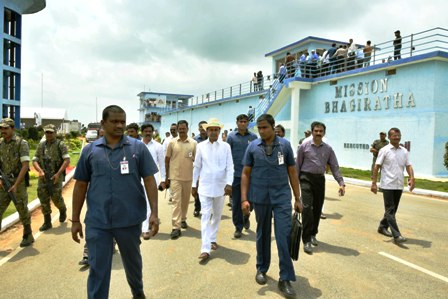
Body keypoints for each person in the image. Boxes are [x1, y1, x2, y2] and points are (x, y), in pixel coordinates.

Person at [71, 105, 159, 299]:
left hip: (129, 220)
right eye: (115, 121)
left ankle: (138, 293)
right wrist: (75, 219)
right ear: (103, 123)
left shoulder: (137, 148)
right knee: (98, 270)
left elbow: (150, 180)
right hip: (98, 222)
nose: (120, 125)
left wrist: (154, 213)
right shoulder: (90, 151)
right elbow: (80, 185)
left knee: (133, 265)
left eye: (123, 122)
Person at [241, 114, 302, 298]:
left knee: (283, 235)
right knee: (263, 233)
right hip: (260, 197)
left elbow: (292, 171)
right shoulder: (253, 146)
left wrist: (298, 198)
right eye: (259, 128)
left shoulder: (284, 145)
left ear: (273, 127)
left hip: (282, 196)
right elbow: (245, 173)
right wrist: (244, 198)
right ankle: (261, 268)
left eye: (264, 127)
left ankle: (285, 278)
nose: (261, 131)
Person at [296, 121, 345, 255]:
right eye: (316, 131)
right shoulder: (304, 146)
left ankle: (313, 234)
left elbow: (334, 166)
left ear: (324, 133)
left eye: (320, 131)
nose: (318, 133)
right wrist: (295, 186)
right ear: (312, 132)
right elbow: (297, 165)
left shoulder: (328, 149)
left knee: (317, 208)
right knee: (307, 208)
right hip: (306, 178)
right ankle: (306, 240)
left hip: (319, 180)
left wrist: (341, 182)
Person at [192, 118, 233, 261]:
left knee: (217, 215)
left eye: (216, 129)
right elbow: (197, 166)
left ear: (219, 131)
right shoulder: (201, 146)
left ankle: (213, 238)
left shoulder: (226, 147)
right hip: (205, 186)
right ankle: (205, 248)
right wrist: (193, 185)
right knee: (205, 215)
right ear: (206, 131)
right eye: (211, 129)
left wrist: (229, 183)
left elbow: (230, 166)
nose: (213, 132)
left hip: (221, 187)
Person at [371, 127, 415, 243]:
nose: (397, 137)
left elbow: (408, 165)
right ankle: (397, 235)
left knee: (393, 210)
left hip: (399, 184)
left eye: (398, 135)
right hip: (387, 184)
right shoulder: (384, 150)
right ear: (389, 137)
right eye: (394, 135)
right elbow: (377, 166)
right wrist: (374, 183)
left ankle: (382, 226)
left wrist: (412, 178)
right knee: (390, 210)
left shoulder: (404, 151)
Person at [0, 118, 34, 247]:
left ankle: (28, 234)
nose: (3, 131)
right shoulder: (0, 143)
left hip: (18, 183)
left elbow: (25, 165)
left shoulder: (21, 143)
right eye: (1, 128)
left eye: (6, 128)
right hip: (4, 182)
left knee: (22, 209)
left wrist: (16, 184)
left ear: (12, 129)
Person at [32, 124, 70, 231]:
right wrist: (40, 171)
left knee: (56, 198)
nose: (48, 134)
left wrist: (58, 174)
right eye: (46, 132)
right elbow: (34, 160)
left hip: (55, 176)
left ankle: (62, 210)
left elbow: (67, 160)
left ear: (55, 133)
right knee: (43, 198)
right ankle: (47, 221)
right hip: (44, 176)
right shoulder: (41, 145)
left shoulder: (60, 145)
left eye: (51, 132)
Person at [226, 114, 257, 239]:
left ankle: (246, 216)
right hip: (236, 175)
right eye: (241, 121)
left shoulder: (254, 137)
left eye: (245, 122)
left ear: (248, 123)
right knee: (237, 203)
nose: (243, 124)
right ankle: (238, 227)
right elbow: (227, 156)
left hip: (251, 176)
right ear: (237, 122)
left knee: (252, 201)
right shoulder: (231, 137)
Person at [165, 120, 197, 240]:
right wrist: (166, 177)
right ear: (177, 129)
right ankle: (176, 227)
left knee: (185, 201)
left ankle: (183, 219)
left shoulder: (194, 143)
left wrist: (197, 179)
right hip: (175, 177)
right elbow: (167, 160)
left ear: (187, 129)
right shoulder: (172, 143)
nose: (182, 130)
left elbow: (197, 162)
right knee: (176, 201)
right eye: (180, 128)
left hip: (188, 177)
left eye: (184, 128)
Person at [141, 123, 166, 240]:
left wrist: (163, 180)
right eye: (145, 131)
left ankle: (145, 229)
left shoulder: (158, 146)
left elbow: (162, 164)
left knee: (148, 203)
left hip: (152, 179)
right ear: (142, 132)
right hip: (137, 178)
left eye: (150, 131)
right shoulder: (137, 145)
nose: (148, 133)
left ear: (153, 132)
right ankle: (140, 225)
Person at [193, 120, 208, 217]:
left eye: (204, 128)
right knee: (197, 189)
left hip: (208, 169)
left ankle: (206, 209)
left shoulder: (211, 139)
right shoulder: (195, 140)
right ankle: (197, 208)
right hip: (198, 168)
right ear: (198, 129)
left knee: (207, 190)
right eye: (200, 128)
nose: (202, 130)